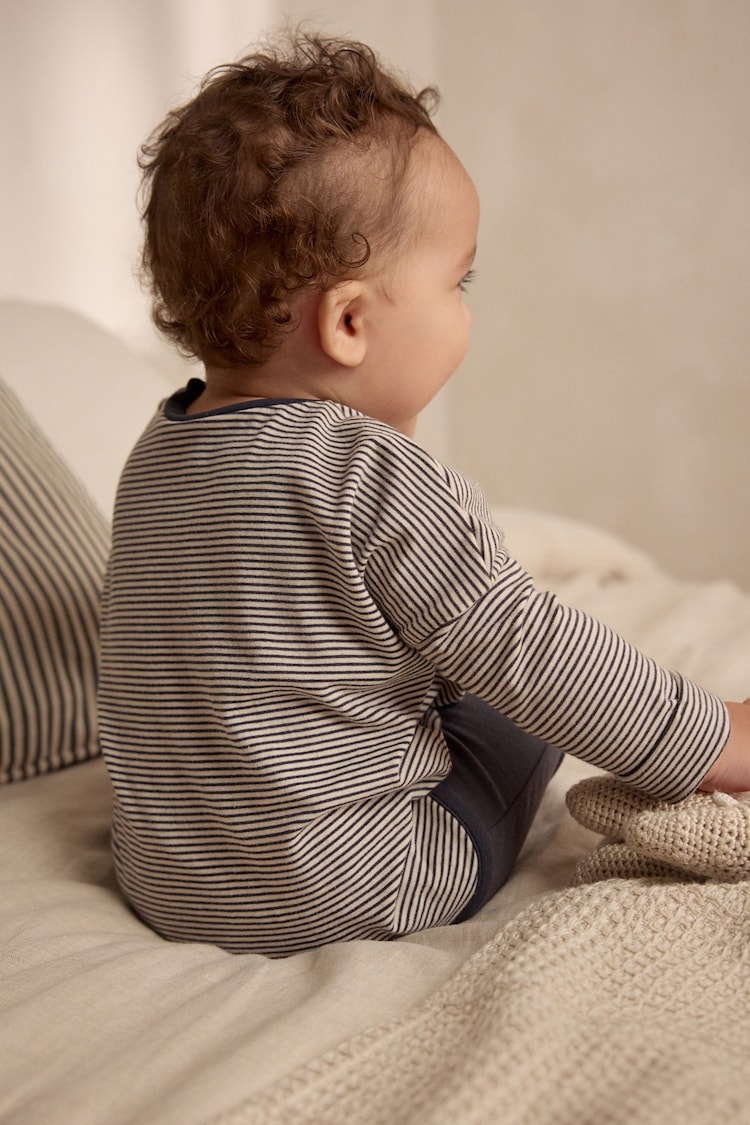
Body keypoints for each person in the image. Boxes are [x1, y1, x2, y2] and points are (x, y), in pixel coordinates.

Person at [97, 33, 750, 957]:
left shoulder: (157, 455)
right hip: (359, 883)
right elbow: (533, 650)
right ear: (352, 321)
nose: (466, 309)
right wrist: (713, 741)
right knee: (518, 710)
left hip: (174, 881)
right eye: (459, 281)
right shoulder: (370, 473)